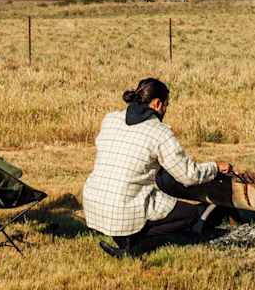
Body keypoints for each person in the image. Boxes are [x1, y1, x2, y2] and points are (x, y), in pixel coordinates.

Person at [82, 77, 232, 256]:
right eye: (166, 105)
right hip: (122, 208)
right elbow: (189, 175)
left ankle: (125, 238)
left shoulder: (110, 119)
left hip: (94, 203)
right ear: (157, 104)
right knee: (190, 215)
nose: (166, 110)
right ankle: (136, 245)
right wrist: (215, 167)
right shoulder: (159, 132)